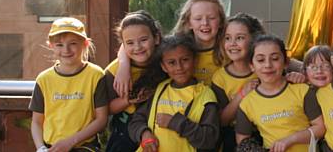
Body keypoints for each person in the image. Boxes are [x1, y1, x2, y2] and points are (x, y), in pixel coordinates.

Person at [128, 35, 219, 151]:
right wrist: (144, 133)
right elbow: (136, 120)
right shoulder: (160, 88)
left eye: (185, 60)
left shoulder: (205, 96)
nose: (179, 67)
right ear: (163, 66)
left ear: (195, 61)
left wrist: (175, 122)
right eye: (172, 63)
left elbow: (209, 140)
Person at [29, 17, 108, 152]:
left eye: (73, 43)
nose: (66, 49)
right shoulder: (44, 79)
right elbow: (36, 122)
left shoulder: (96, 75)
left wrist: (70, 142)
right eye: (59, 45)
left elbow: (101, 120)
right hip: (50, 147)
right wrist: (40, 148)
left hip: (84, 147)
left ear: (85, 44)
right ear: (51, 46)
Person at [235, 34, 325, 152]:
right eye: (261, 60)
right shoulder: (247, 104)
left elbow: (320, 128)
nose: (268, 65)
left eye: (275, 58)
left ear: (286, 62)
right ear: (252, 66)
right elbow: (242, 142)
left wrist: (290, 140)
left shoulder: (302, 91)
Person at [106, 11, 163, 152]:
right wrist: (129, 100)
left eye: (143, 40)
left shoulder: (166, 61)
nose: (137, 47)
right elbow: (104, 109)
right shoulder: (113, 71)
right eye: (130, 43)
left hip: (160, 128)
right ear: (123, 45)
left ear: (156, 38)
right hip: (125, 132)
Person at [211, 13, 264, 151]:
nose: (233, 43)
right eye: (228, 38)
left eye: (239, 38)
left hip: (266, 130)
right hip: (233, 136)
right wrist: (242, 94)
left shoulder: (265, 68)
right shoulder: (220, 78)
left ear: (254, 40)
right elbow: (222, 120)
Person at [173, 0, 227, 85]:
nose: (205, 23)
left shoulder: (230, 52)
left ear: (221, 22)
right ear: (189, 23)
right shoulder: (176, 51)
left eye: (211, 18)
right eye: (198, 19)